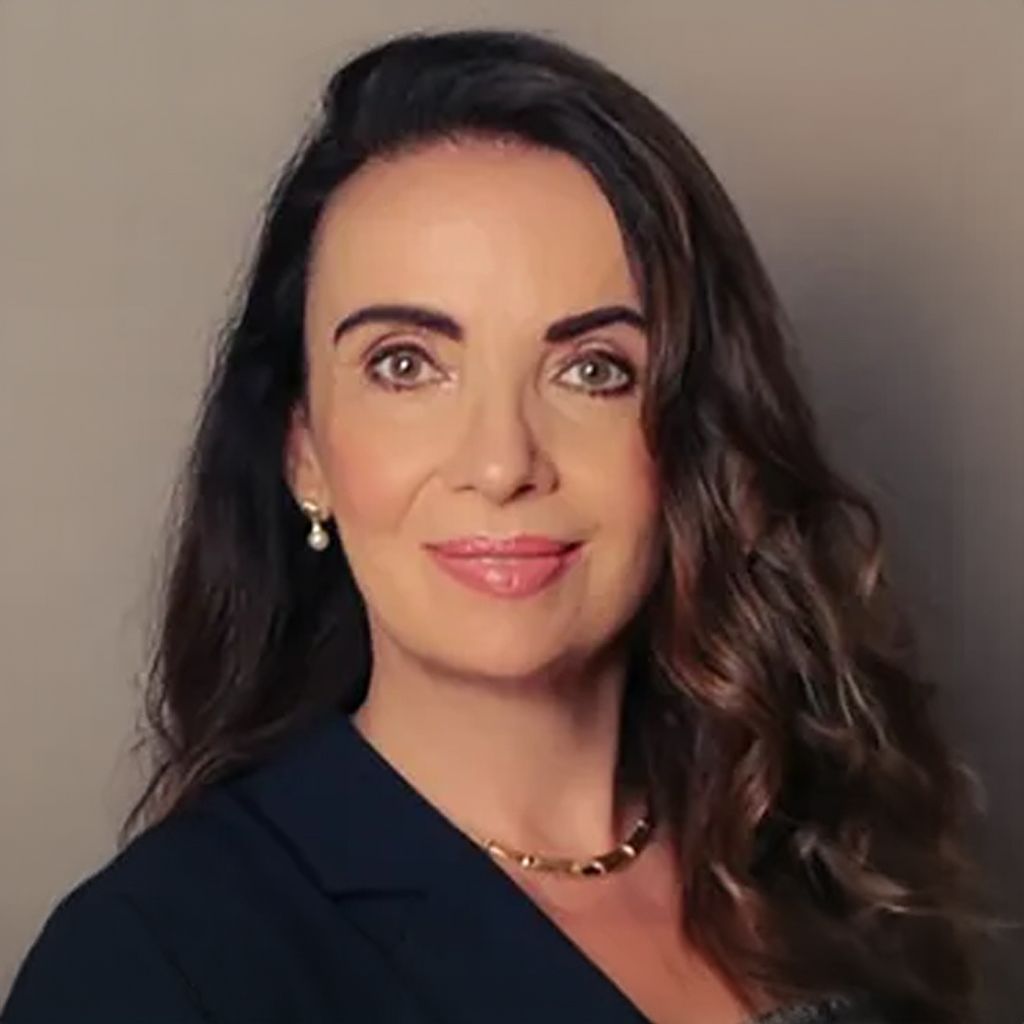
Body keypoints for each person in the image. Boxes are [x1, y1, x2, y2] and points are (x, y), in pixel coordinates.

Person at [2, 27, 982, 1024]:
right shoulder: (159, 963)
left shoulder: (823, 863)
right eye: (406, 365)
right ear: (305, 452)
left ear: (690, 437)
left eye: (592, 369)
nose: (503, 462)